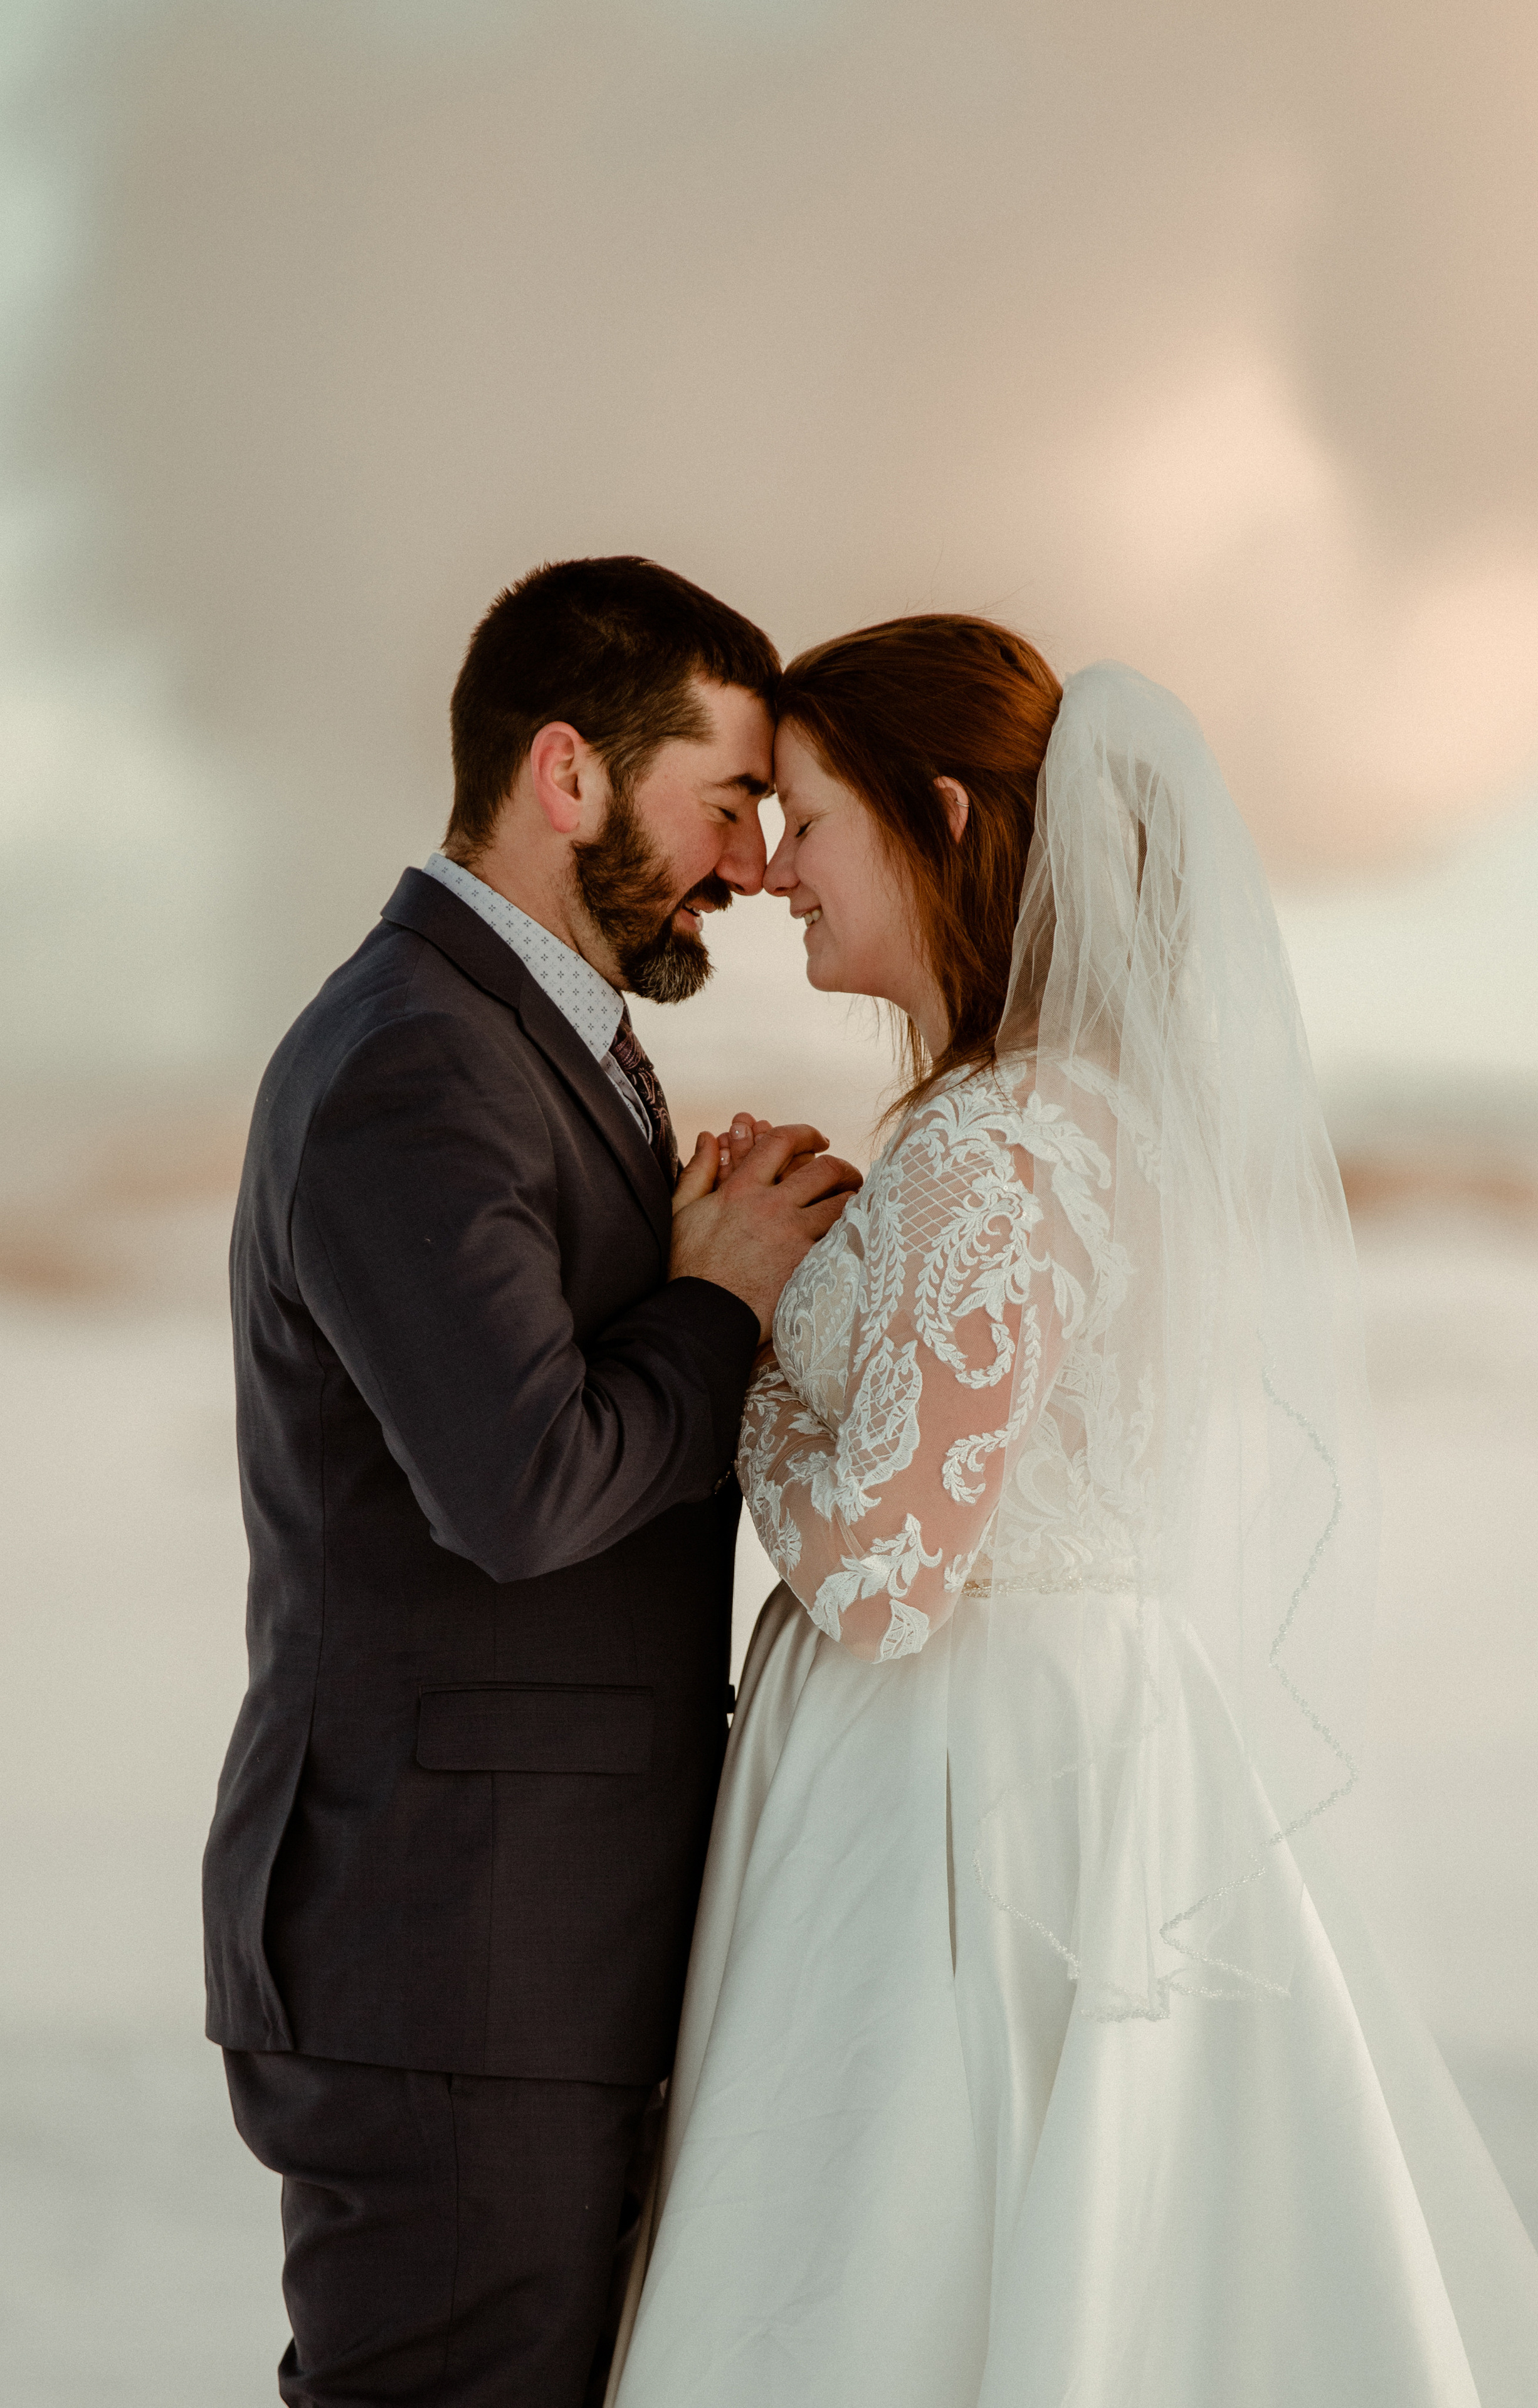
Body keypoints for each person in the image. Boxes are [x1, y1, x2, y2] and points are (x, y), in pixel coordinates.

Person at [607, 618, 1538, 2406]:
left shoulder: (997, 1148)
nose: (774, 877)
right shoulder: (1039, 1119)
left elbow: (897, 1574)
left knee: (904, 2255)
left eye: (810, 821)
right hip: (1060, 1739)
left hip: (961, 1797)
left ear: (935, 815)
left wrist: (734, 1326)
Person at [202, 556, 860, 2407]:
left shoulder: (525, 1043)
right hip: (450, 1965)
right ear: (567, 775)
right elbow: (526, 1491)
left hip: (521, 1951)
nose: (748, 860)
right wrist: (717, 1297)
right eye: (724, 797)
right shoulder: (417, 1063)